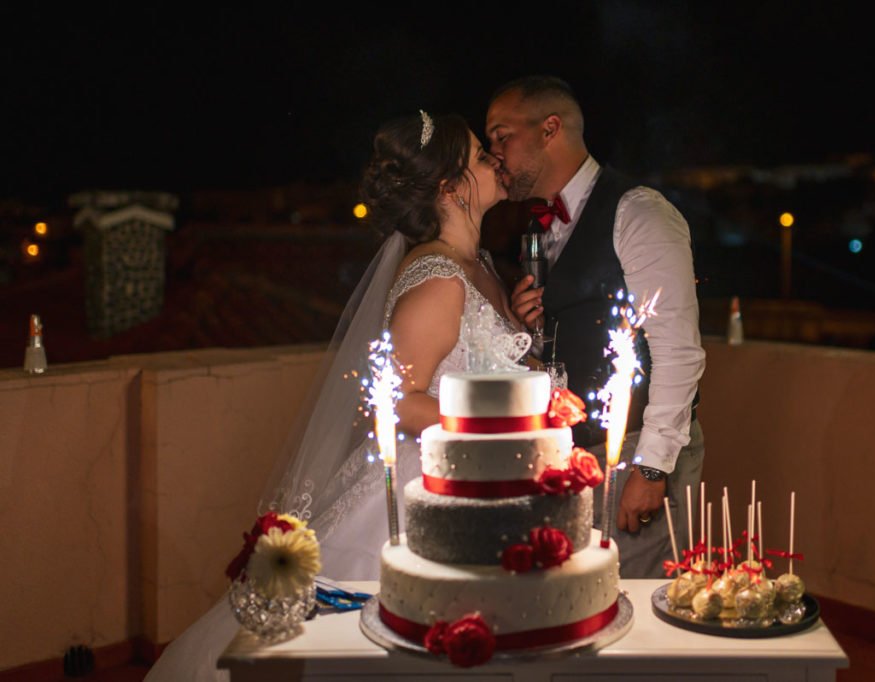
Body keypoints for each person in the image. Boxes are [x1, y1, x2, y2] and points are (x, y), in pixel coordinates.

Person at [145, 110, 514, 681]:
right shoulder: (439, 279)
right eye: (480, 156)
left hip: (489, 477)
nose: (495, 161)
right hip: (431, 486)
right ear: (449, 185)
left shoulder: (478, 265)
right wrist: (500, 422)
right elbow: (395, 400)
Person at [486, 76, 705, 578]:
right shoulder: (538, 227)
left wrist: (651, 468)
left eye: (502, 137)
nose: (495, 154)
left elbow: (678, 351)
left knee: (638, 611)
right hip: (571, 453)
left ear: (550, 129)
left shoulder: (639, 211)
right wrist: (529, 325)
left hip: (633, 450)